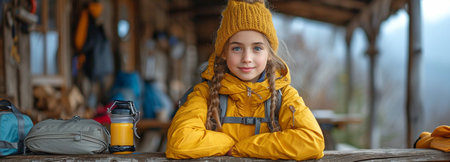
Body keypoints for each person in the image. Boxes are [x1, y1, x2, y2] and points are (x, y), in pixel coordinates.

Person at [165, 0, 324, 160]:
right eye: (237, 48)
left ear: (269, 54)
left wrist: (241, 147)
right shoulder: (204, 93)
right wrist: (228, 143)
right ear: (224, 52)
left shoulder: (285, 95)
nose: (247, 58)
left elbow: (312, 141)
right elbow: (180, 142)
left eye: (257, 48)